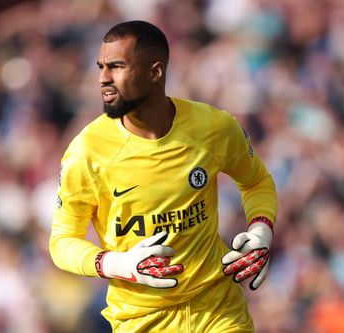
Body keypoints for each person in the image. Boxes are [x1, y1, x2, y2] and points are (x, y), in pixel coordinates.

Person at [49, 20, 277, 332]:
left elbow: (256, 181)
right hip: (141, 320)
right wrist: (117, 263)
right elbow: (62, 241)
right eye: (101, 66)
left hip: (218, 310)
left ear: (155, 72)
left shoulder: (213, 128)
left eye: (117, 67)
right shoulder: (87, 152)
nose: (103, 79)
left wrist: (261, 231)